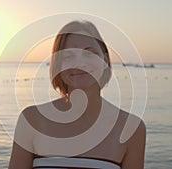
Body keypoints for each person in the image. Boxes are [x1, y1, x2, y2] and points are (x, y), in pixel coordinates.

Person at [9, 20, 146, 169]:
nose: (79, 62)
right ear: (58, 65)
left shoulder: (131, 128)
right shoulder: (31, 120)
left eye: (89, 53)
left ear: (105, 60)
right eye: (68, 56)